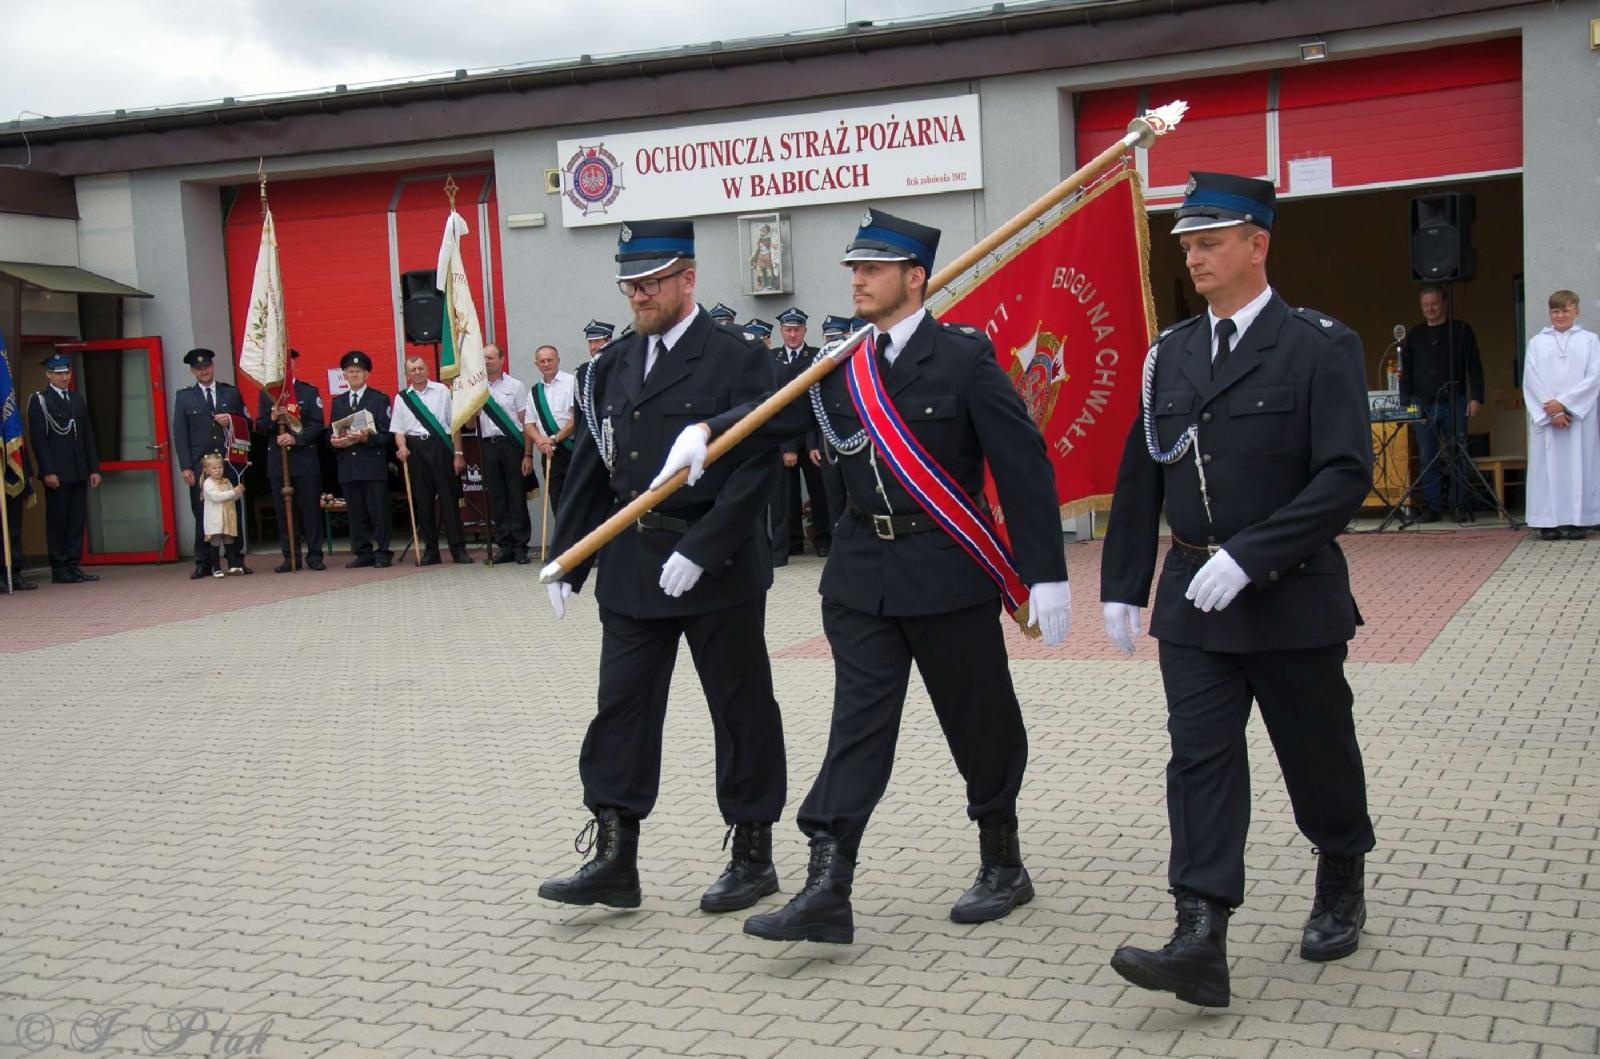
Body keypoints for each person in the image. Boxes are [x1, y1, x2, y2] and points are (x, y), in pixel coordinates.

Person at [654, 207, 1071, 944]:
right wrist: (711, 432)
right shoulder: (842, 363)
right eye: (854, 267)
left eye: (872, 267)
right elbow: (775, 416)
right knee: (857, 728)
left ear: (916, 277)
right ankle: (827, 881)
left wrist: (1047, 573)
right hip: (861, 579)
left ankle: (1002, 858)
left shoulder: (964, 359)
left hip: (946, 573)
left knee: (979, 722)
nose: (858, 278)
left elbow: (1023, 462)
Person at [1099, 172, 1376, 1008]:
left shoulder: (1320, 345)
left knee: (1315, 750)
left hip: (1288, 594)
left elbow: (1344, 475)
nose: (1194, 254)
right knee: (1201, 759)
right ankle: (1200, 929)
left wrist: (1253, 554)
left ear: (1259, 243)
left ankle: (1340, 867)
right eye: (1187, 241)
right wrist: (1123, 583)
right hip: (1193, 591)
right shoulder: (1169, 353)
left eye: (1210, 240)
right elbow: (1142, 469)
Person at [539, 218, 788, 917]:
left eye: (650, 282)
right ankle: (615, 855)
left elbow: (755, 463)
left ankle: (752, 852)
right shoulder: (613, 365)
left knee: (740, 709)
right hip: (632, 567)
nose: (638, 294)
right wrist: (567, 557)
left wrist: (704, 547)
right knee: (621, 708)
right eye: (630, 283)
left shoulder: (737, 356)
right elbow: (592, 465)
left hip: (718, 566)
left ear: (689, 279)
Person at [1399, 283, 1485, 521]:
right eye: (1425, 305)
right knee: (1427, 455)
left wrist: (1476, 397)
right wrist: (1405, 402)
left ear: (1444, 303)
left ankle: (1459, 505)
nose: (1430, 309)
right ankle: (1432, 507)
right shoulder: (1414, 335)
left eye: (1434, 304)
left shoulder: (1461, 330)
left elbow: (1475, 367)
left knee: (1457, 452)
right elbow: (1406, 372)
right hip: (1423, 405)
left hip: (1454, 401)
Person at [1522, 290, 1600, 540]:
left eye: (1565, 310)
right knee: (1547, 470)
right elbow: (1530, 379)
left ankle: (1579, 521)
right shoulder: (1537, 342)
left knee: (1580, 466)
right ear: (1549, 313)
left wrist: (1565, 404)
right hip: (1548, 419)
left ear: (1576, 311)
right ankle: (1548, 522)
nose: (1560, 315)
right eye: (1555, 311)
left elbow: (1594, 377)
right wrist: (1551, 411)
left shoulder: (1590, 341)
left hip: (1578, 418)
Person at [172, 348, 250, 578]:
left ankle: (236, 560)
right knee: (202, 513)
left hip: (229, 462)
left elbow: (248, 423)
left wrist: (232, 420)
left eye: (206, 366)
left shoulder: (230, 393)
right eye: (198, 368)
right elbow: (180, 433)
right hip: (201, 466)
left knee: (232, 511)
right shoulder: (184, 397)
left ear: (213, 367)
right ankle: (203, 562)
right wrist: (186, 466)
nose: (203, 371)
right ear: (192, 371)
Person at [390, 354, 471, 566]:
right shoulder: (401, 398)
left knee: (449, 501)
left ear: (427, 369)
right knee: (424, 503)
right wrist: (402, 447)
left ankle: (458, 550)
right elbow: (398, 430)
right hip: (415, 451)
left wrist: (458, 454)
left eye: (420, 368)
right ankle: (431, 551)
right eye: (412, 370)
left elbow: (454, 425)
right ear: (407, 374)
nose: (417, 372)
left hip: (441, 448)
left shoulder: (442, 391)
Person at [27, 355, 100, 584]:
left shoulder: (76, 399)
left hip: (78, 470)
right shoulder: (41, 401)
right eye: (59, 373)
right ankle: (59, 568)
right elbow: (39, 440)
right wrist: (48, 471)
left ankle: (73, 565)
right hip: (58, 471)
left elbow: (87, 435)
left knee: (77, 519)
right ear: (48, 375)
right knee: (58, 520)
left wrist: (93, 468)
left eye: (66, 373)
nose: (64, 377)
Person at [255, 349, 325, 572]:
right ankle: (290, 557)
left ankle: (314, 556)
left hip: (304, 461)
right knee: (284, 513)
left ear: (293, 365)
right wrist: (272, 417)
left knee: (310, 511)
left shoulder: (307, 391)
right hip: (278, 462)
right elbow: (260, 428)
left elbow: (316, 424)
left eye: (288, 362)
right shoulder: (267, 394)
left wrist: (295, 438)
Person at [772, 306, 832, 560]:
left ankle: (824, 541)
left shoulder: (817, 356)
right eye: (788, 330)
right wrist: (786, 446)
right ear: (781, 332)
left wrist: (813, 442)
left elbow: (819, 402)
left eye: (797, 330)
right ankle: (788, 544)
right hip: (782, 436)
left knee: (820, 492)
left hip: (811, 436)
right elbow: (772, 404)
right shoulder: (770, 359)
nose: (793, 335)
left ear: (805, 331)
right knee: (784, 497)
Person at [328, 351, 393, 568]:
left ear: (366, 374)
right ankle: (363, 552)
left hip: (372, 464)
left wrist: (368, 437)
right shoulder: (338, 403)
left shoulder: (378, 399)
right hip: (349, 465)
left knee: (378, 511)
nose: (354, 375)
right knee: (356, 513)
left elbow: (387, 436)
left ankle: (383, 551)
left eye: (358, 371)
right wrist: (334, 442)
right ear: (344, 375)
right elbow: (334, 431)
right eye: (350, 372)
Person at [477, 343, 534, 564]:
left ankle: (520, 546)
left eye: (492, 357)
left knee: (516, 496)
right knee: (497, 497)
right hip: (488, 445)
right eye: (484, 358)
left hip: (512, 445)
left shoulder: (515, 385)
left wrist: (527, 454)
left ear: (502, 360)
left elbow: (525, 421)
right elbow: (471, 424)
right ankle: (505, 546)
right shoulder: (478, 389)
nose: (488, 361)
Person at [528, 344, 576, 522]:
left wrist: (555, 438)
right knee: (557, 500)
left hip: (571, 449)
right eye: (542, 361)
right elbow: (529, 424)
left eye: (550, 360)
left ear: (558, 360)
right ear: (536, 364)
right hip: (548, 453)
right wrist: (540, 441)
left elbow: (576, 419)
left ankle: (582, 546)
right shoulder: (534, 391)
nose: (546, 364)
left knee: (576, 500)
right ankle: (564, 545)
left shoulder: (572, 382)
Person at [199, 453, 246, 577]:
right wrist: (232, 492)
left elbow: (232, 498)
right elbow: (216, 497)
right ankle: (216, 568)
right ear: (207, 470)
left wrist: (238, 492)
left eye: (220, 467)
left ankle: (232, 566)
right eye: (214, 468)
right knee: (215, 542)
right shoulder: (208, 484)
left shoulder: (227, 481)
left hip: (227, 518)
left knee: (229, 541)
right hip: (215, 519)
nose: (218, 470)